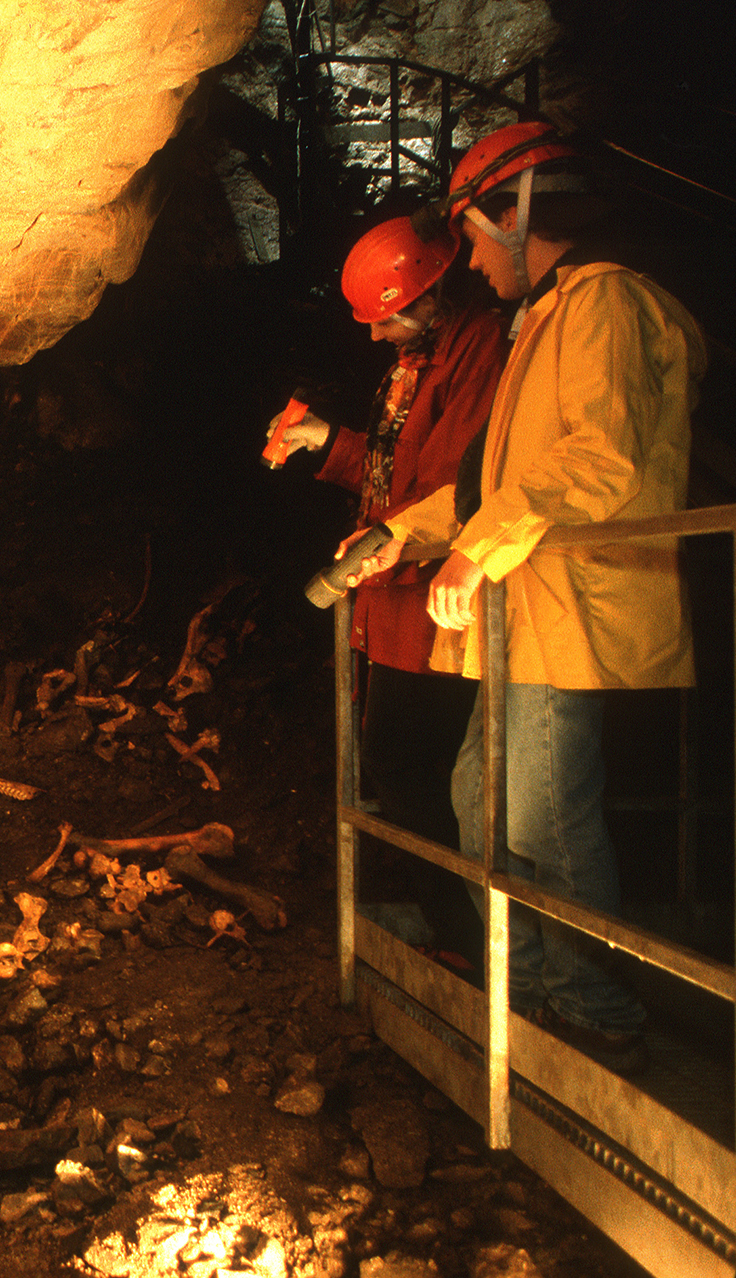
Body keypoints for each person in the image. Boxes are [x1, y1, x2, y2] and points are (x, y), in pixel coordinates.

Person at [355, 121, 707, 1074]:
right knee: (479, 802)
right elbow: (491, 483)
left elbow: (601, 457)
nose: (470, 259)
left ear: (515, 216)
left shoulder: (606, 304)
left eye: (473, 236)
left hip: (571, 608)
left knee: (542, 817)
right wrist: (400, 534)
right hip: (533, 610)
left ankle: (596, 1009)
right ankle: (542, 987)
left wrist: (476, 553)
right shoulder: (547, 319)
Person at [269, 215, 505, 960]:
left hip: (435, 602)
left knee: (410, 767)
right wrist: (325, 442)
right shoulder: (420, 357)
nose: (375, 334)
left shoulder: (481, 352)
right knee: (403, 767)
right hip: (394, 595)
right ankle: (464, 936)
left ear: (433, 292)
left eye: (388, 316)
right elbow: (396, 472)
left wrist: (383, 548)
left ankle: (472, 942)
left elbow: (448, 491)